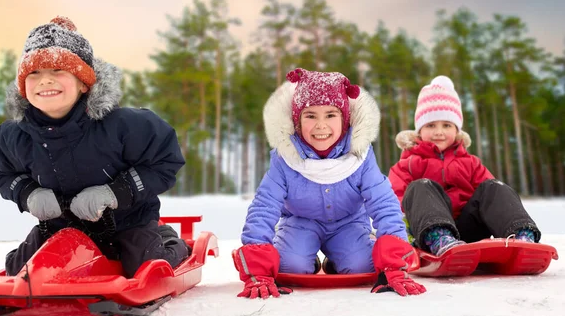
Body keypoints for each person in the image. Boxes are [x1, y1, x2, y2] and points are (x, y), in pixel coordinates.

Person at [0, 16, 189, 278]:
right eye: (34, 73)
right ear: (23, 86)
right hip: (59, 226)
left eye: (58, 71)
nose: (45, 81)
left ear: (83, 82)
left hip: (127, 223)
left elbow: (164, 161)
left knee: (145, 266)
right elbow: (1, 173)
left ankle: (168, 240)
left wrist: (115, 192)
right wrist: (28, 193)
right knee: (19, 271)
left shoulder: (125, 125)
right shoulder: (12, 136)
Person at [232, 68, 426, 299]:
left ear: (344, 119)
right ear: (297, 120)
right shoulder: (285, 158)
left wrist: (395, 263)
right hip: (300, 223)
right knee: (289, 267)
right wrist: (259, 270)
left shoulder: (360, 155)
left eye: (330, 115)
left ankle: (339, 259)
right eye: (310, 116)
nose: (321, 125)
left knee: (364, 266)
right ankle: (306, 257)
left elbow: (383, 201)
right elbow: (264, 206)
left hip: (349, 223)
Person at [388, 75, 541, 256]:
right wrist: (400, 233)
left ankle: (521, 235)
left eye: (446, 125)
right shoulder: (408, 164)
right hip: (428, 232)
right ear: (419, 131)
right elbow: (392, 201)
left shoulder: (471, 163)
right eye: (430, 125)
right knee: (420, 186)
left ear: (457, 130)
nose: (439, 132)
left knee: (494, 187)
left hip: (469, 230)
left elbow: (492, 200)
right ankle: (440, 238)